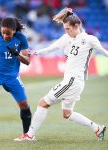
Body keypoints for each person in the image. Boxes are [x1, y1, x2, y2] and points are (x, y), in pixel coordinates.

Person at [18, 8, 107, 141]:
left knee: (42, 103)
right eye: (65, 29)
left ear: (76, 26)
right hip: (74, 82)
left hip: (72, 81)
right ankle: (97, 128)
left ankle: (30, 135)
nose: (66, 31)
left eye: (67, 29)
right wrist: (34, 52)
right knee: (67, 114)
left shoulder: (90, 39)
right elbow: (51, 48)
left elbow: (104, 51)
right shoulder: (66, 38)